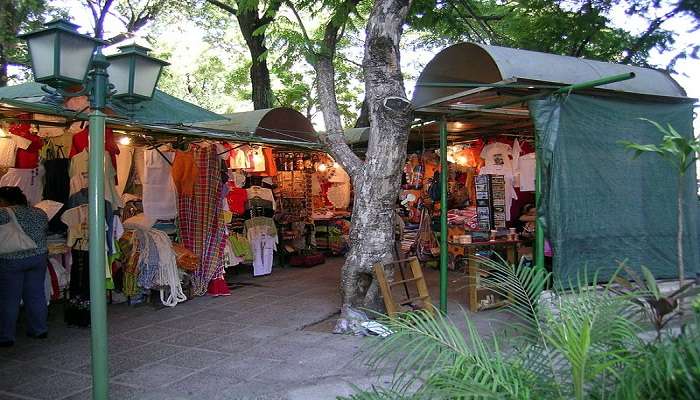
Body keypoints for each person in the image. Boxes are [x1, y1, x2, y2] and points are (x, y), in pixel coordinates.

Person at [0, 186, 49, 347]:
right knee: (36, 295)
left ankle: (6, 336)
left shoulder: (3, 213)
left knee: (9, 299)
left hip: (12, 259)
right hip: (38, 257)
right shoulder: (40, 212)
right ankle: (39, 329)